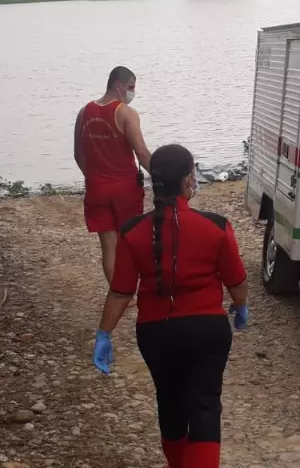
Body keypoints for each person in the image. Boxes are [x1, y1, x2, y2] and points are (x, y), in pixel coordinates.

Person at [91, 144, 249, 468]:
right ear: (188, 180)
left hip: (155, 333)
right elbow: (237, 281)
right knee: (205, 404)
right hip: (208, 330)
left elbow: (121, 291)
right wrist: (241, 307)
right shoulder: (217, 226)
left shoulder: (132, 231)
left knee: (170, 401)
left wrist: (103, 333)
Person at [74, 66, 153, 282]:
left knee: (108, 245)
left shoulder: (84, 112)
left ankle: (118, 293)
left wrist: (92, 177)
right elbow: (142, 153)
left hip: (96, 188)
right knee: (131, 240)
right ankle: (133, 289)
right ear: (118, 85)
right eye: (131, 87)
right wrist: (164, 175)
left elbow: (78, 154)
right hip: (125, 188)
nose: (132, 92)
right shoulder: (126, 113)